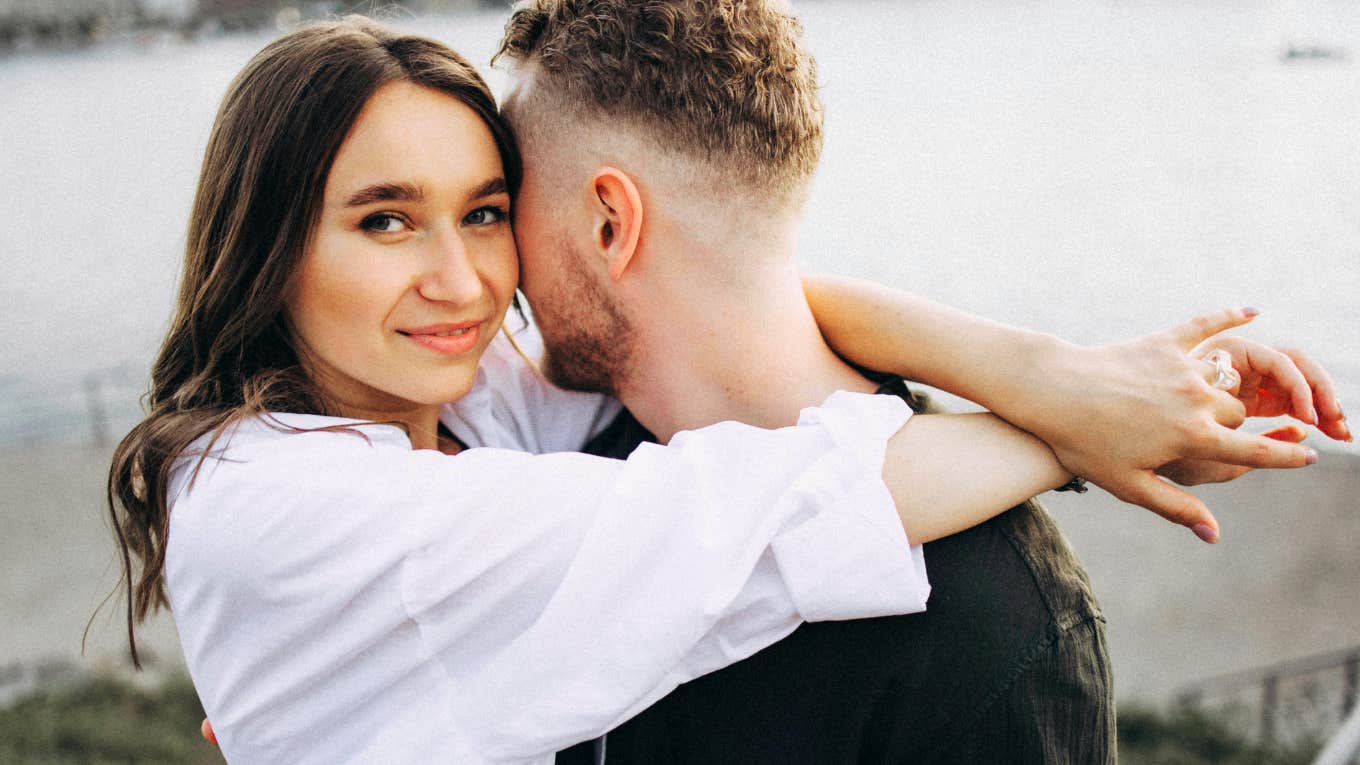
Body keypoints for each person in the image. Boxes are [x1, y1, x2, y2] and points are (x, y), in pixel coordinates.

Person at [133, 14, 1340, 765]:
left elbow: (766, 295)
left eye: (490, 212)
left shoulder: (479, 409)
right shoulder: (272, 501)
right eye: (384, 219)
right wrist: (1073, 424)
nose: (466, 281)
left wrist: (1062, 376)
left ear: (606, 218)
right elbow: (742, 512)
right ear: (273, 239)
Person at [479, 2, 1348, 762]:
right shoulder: (564, 451)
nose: (495, 255)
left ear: (609, 222)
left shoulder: (999, 621)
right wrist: (1066, 394)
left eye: (505, 198)